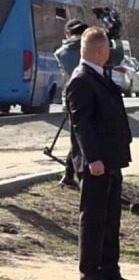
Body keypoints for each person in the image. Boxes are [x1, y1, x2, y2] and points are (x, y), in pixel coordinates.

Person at [66, 27, 136, 280]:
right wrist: (92, 158)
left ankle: (110, 268)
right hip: (96, 162)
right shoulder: (81, 79)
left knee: (111, 217)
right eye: (107, 48)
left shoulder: (100, 75)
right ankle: (89, 270)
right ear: (100, 50)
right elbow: (81, 124)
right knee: (93, 217)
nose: (109, 52)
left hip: (112, 158)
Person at [54, 19, 89, 189]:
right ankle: (76, 175)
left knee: (76, 138)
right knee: (79, 139)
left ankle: (69, 174)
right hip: (85, 97)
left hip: (68, 98)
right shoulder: (83, 50)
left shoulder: (61, 52)